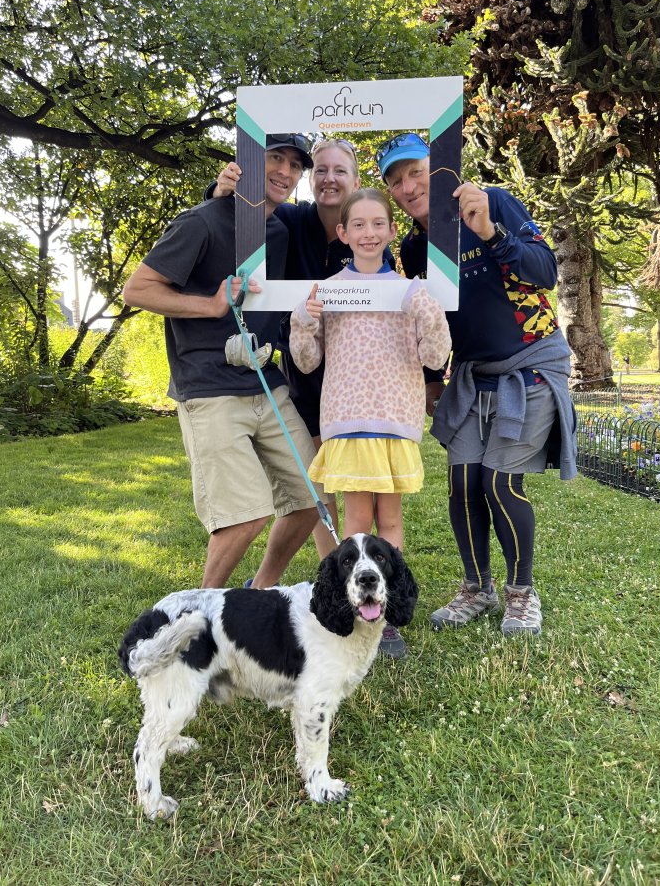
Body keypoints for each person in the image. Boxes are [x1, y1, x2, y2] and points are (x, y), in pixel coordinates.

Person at [376, 133, 577, 636]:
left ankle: (520, 593)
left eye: (416, 171)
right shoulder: (415, 246)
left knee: (499, 482)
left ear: (439, 168)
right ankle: (477, 588)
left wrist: (490, 232)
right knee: (464, 481)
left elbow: (546, 270)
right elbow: (426, 318)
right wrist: (429, 379)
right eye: (396, 181)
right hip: (468, 373)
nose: (408, 185)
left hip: (529, 363)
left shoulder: (492, 202)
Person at [122, 135, 327, 590]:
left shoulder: (278, 230)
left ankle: (259, 593)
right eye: (274, 158)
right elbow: (136, 290)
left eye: (295, 165)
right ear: (247, 163)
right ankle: (199, 612)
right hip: (210, 387)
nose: (285, 171)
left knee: (312, 495)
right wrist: (211, 305)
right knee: (243, 517)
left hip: (265, 383)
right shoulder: (200, 221)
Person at [211, 139, 394, 559]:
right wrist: (221, 191)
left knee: (359, 481)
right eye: (321, 170)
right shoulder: (291, 219)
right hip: (304, 367)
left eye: (339, 171)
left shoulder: (372, 234)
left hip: (358, 375)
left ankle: (364, 562)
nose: (329, 178)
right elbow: (244, 215)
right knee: (320, 479)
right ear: (311, 179)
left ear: (356, 179)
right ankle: (334, 568)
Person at [290, 188, 451, 658]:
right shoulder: (327, 290)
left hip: (396, 419)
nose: (368, 232)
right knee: (358, 522)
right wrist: (304, 319)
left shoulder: (411, 291)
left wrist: (429, 314)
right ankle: (354, 606)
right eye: (357, 224)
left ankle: (386, 607)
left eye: (378, 223)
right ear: (342, 233)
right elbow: (305, 361)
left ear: (391, 230)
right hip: (347, 418)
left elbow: (435, 356)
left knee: (391, 521)